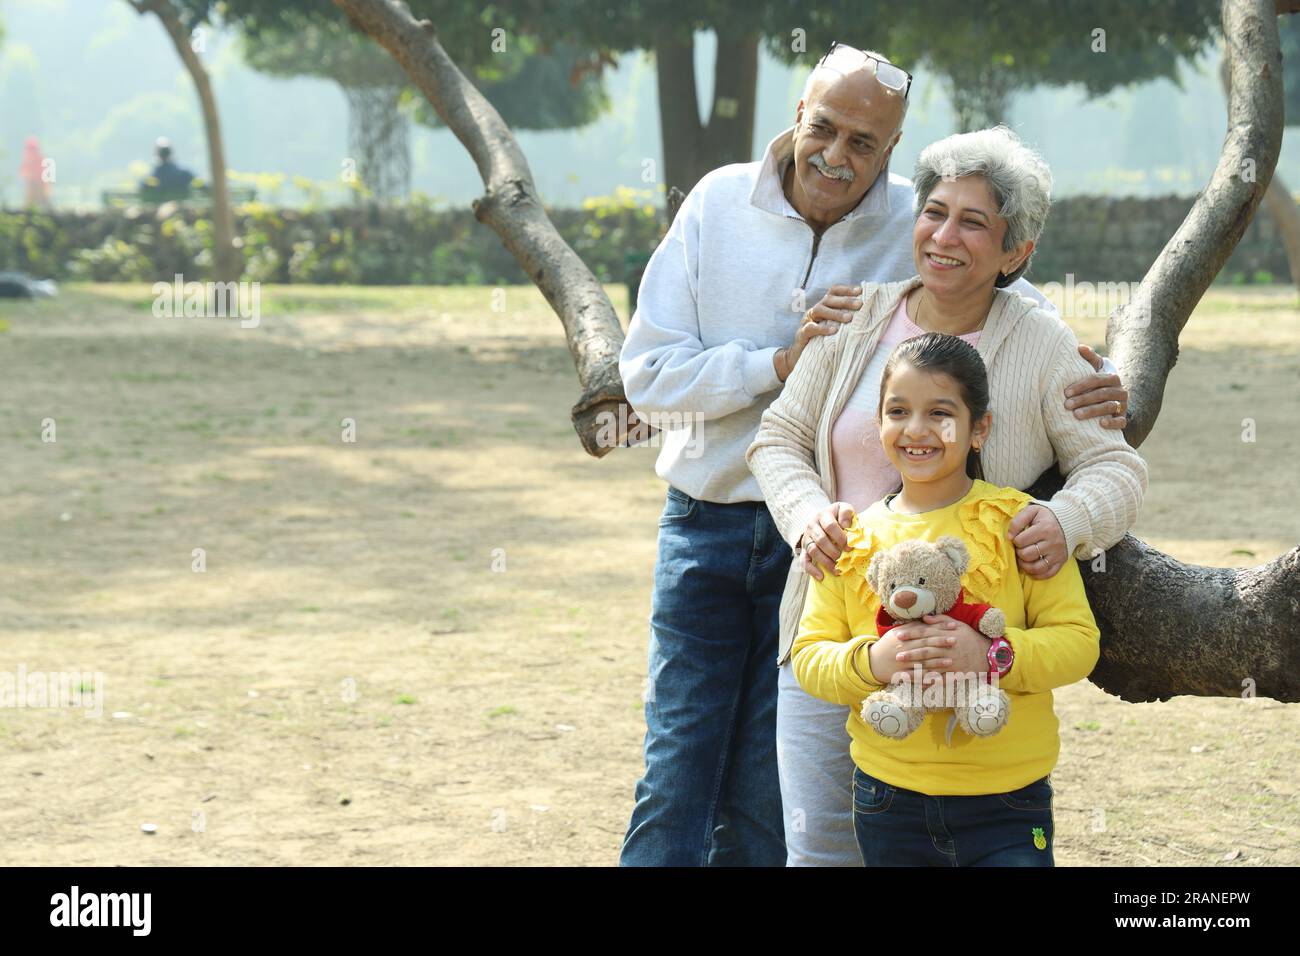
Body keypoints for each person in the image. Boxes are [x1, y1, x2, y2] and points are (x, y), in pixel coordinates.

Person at [617, 43, 1128, 867]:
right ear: (798, 117)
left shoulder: (931, 233)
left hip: (892, 593)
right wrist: (779, 373)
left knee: (771, 791)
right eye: (827, 128)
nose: (838, 154)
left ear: (890, 153)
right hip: (737, 533)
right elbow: (665, 386)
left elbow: (1004, 292)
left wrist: (1101, 378)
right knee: (686, 762)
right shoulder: (725, 211)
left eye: (866, 142)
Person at [746, 125, 1148, 866]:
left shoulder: (1044, 344)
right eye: (934, 211)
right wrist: (807, 518)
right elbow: (776, 439)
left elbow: (1117, 471)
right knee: (823, 849)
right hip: (837, 627)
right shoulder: (854, 316)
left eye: (973, 221)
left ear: (1015, 252)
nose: (944, 235)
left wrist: (1064, 520)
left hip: (970, 643)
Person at [791, 331, 1102, 865]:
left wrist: (992, 657)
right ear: (880, 423)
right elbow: (809, 656)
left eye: (940, 412)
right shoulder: (854, 537)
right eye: (898, 411)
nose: (916, 429)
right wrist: (873, 662)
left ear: (979, 428)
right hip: (887, 797)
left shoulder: (1017, 523)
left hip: (1008, 798)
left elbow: (1078, 643)